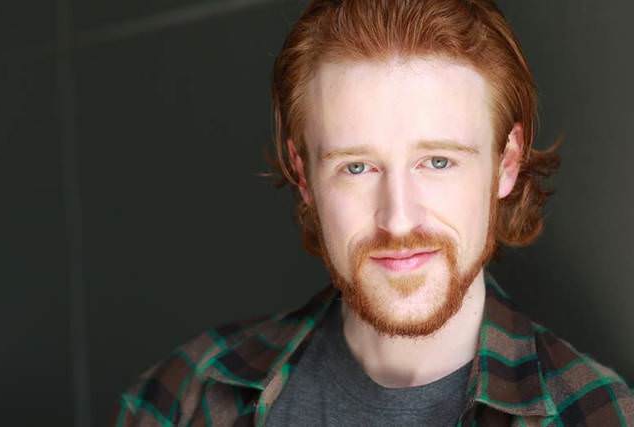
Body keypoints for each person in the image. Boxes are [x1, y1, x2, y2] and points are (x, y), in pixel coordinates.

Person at [109, 0, 634, 425]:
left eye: (438, 161)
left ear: (506, 164)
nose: (398, 220)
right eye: (356, 167)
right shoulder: (185, 396)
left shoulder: (599, 416)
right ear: (304, 174)